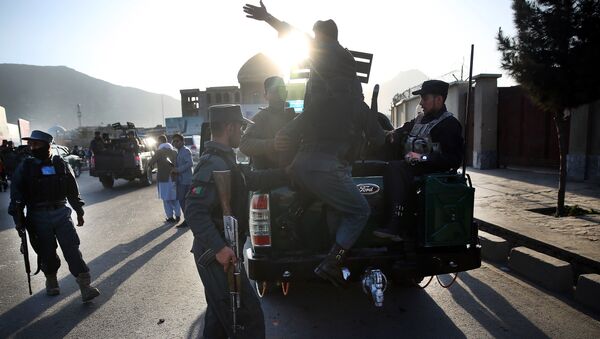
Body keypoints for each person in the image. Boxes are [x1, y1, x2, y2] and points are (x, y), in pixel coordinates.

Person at [243, 1, 385, 287]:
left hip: (301, 165)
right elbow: (377, 137)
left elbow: (294, 35)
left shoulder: (323, 76)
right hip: (330, 164)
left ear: (323, 37)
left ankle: (294, 224)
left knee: (328, 198)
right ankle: (331, 262)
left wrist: (268, 18)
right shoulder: (346, 84)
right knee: (359, 211)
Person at [186, 104, 288, 339]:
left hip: (222, 252)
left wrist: (287, 173)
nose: (242, 133)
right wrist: (220, 248)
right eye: (240, 127)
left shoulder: (225, 160)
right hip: (216, 256)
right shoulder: (213, 163)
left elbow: (249, 178)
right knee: (249, 320)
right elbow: (193, 210)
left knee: (217, 322)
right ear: (230, 127)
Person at [8, 130, 100, 302]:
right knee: (46, 252)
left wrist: (79, 212)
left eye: (36, 144)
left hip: (61, 213)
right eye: (31, 144)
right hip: (37, 216)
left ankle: (85, 287)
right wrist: (18, 222)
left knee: (72, 249)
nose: (32, 147)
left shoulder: (60, 164)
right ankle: (51, 280)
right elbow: (16, 197)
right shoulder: (25, 167)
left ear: (47, 146)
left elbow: (72, 191)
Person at [373, 80, 464, 240]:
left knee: (395, 168)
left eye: (425, 98)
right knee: (382, 162)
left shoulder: (449, 124)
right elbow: (402, 129)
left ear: (439, 100)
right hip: (412, 166)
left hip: (431, 171)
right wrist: (393, 134)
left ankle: (395, 224)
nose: (421, 103)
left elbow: (453, 160)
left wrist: (422, 157)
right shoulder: (420, 119)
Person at [239, 76, 297, 169]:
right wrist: (272, 144)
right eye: (274, 91)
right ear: (265, 96)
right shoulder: (259, 119)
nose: (278, 94)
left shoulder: (292, 117)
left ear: (286, 93)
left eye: (281, 90)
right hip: (269, 178)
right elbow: (244, 145)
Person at [148, 135, 181, 223]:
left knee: (166, 199)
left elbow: (151, 163)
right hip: (174, 178)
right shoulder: (174, 152)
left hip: (164, 179)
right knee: (175, 198)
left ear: (160, 142)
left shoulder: (159, 152)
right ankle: (178, 216)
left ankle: (170, 217)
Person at [170, 133, 193, 228]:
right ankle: (188, 220)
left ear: (183, 142)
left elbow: (190, 163)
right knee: (182, 201)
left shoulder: (186, 151)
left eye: (177, 141)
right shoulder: (179, 151)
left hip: (185, 181)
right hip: (181, 180)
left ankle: (188, 220)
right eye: (174, 141)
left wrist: (178, 170)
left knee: (184, 201)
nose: (175, 143)